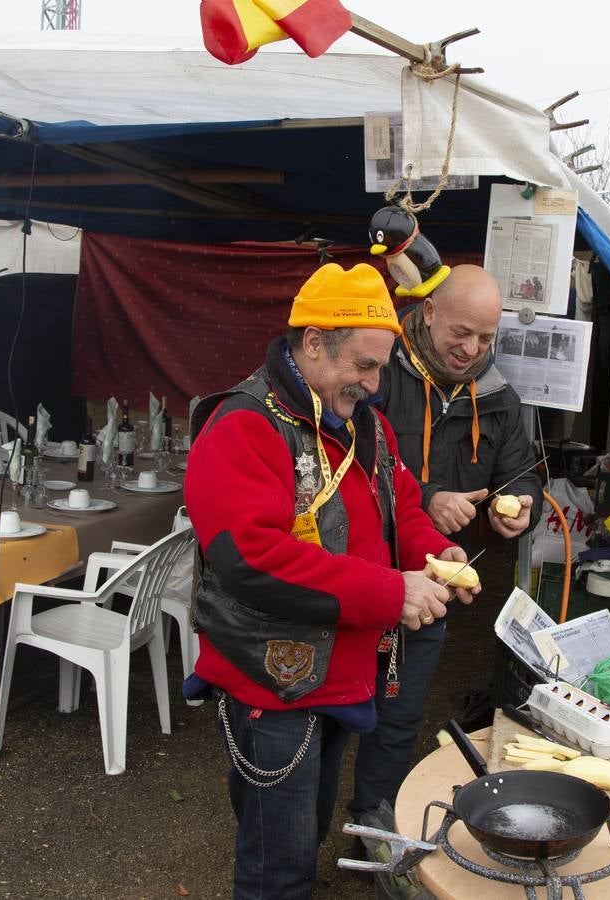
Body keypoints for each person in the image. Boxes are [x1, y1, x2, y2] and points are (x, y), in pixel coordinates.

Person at [184, 262, 478, 899]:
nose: (375, 384)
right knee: (276, 865)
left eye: (381, 367)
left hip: (341, 670)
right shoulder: (243, 426)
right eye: (365, 366)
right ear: (312, 342)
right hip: (275, 681)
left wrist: (439, 554)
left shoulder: (361, 422)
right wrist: (392, 593)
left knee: (307, 829)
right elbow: (251, 559)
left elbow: (401, 507)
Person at [349, 264, 541, 823]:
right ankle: (302, 838)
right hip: (361, 568)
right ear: (428, 310)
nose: (472, 349)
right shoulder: (378, 373)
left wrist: (520, 509)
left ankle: (373, 824)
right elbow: (350, 462)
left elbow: (520, 473)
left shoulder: (500, 392)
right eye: (462, 332)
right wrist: (427, 498)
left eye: (486, 337)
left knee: (401, 713)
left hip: (433, 580)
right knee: (331, 712)